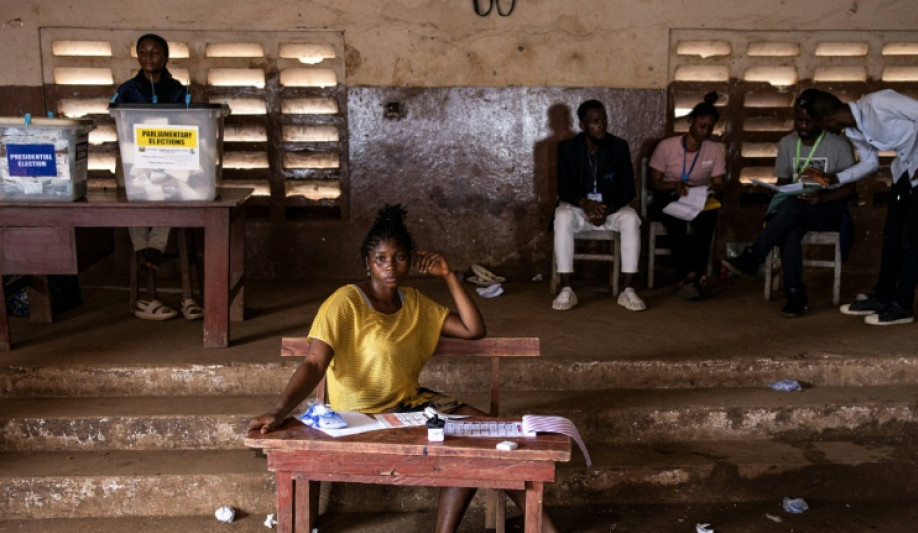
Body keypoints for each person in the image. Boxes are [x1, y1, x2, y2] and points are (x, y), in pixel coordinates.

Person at [247, 205, 558, 533]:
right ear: (367, 261)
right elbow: (313, 362)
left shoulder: (416, 303)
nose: (390, 267)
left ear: (411, 260)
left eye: (400, 258)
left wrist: (448, 275)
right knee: (464, 442)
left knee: (486, 436)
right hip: (360, 416)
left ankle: (540, 528)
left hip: (410, 406)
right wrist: (279, 410)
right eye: (380, 258)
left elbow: (472, 329)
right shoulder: (345, 302)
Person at [802, 89, 918, 325]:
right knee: (892, 235)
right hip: (907, 168)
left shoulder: (879, 102)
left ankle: (903, 306)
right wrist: (836, 179)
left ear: (826, 120)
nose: (823, 131)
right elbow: (870, 163)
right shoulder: (853, 131)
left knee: (912, 238)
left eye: (817, 124)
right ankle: (882, 298)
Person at [722, 89, 856, 317]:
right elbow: (783, 182)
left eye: (808, 121)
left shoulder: (838, 143)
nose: (802, 126)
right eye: (798, 120)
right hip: (796, 209)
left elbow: (850, 188)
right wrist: (781, 190)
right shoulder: (787, 143)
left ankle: (754, 257)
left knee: (791, 208)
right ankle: (795, 295)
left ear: (820, 120)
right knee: (790, 230)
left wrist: (820, 197)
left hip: (828, 209)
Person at [112, 33, 201, 321]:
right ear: (137, 56)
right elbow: (116, 117)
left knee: (172, 190)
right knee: (131, 192)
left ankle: (155, 247)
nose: (149, 57)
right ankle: (145, 248)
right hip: (135, 159)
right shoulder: (126, 90)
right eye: (143, 52)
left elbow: (187, 125)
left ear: (166, 57)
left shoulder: (177, 89)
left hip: (167, 158)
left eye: (155, 52)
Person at [552, 99, 644, 312]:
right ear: (583, 125)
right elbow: (564, 188)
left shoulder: (619, 147)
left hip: (610, 209)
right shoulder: (567, 148)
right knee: (562, 216)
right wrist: (585, 204)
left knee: (631, 218)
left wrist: (607, 209)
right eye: (595, 122)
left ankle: (628, 290)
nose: (601, 125)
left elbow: (629, 189)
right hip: (579, 209)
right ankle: (567, 288)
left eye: (604, 120)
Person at [648, 92, 727, 300]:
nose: (705, 131)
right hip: (669, 196)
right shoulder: (667, 147)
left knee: (708, 219)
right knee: (676, 222)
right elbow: (654, 183)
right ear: (690, 122)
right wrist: (675, 185)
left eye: (710, 128)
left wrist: (713, 189)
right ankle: (690, 275)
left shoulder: (714, 150)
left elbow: (719, 182)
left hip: (698, 198)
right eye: (702, 126)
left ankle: (690, 277)